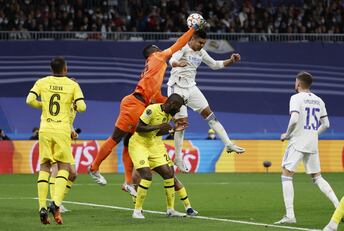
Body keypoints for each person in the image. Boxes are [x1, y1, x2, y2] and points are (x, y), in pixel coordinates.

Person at [88, 20, 205, 192]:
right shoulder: (157, 57)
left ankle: (126, 181)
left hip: (138, 103)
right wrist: (192, 29)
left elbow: (158, 98)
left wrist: (178, 105)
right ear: (155, 51)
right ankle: (95, 168)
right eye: (159, 49)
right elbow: (179, 44)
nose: (163, 51)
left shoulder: (155, 70)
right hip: (134, 104)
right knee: (120, 137)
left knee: (128, 140)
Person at [167, 29, 245, 172]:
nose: (202, 45)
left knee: (210, 115)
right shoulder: (183, 48)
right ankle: (178, 159)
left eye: (204, 43)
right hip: (176, 88)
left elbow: (215, 65)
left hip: (191, 88)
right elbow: (172, 59)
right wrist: (177, 64)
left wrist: (231, 61)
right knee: (181, 124)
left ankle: (228, 144)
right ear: (192, 39)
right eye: (200, 42)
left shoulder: (201, 53)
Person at [26, 56, 86, 225]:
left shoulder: (42, 82)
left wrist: (43, 106)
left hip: (45, 129)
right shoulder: (73, 85)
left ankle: (42, 207)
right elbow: (82, 107)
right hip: (61, 131)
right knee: (64, 167)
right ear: (65, 69)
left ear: (51, 69)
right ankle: (56, 204)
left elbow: (29, 100)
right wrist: (72, 105)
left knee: (45, 166)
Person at [274, 71, 339, 225]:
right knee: (317, 176)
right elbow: (327, 124)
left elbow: (294, 118)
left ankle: (290, 215)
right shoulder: (319, 100)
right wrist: (313, 134)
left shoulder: (295, 98)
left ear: (298, 84)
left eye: (295, 82)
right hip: (312, 141)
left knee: (286, 174)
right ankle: (338, 207)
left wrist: (287, 134)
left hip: (297, 141)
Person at [129, 93, 187, 218]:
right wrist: (159, 126)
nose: (178, 110)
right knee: (147, 175)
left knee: (169, 174)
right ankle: (137, 211)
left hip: (152, 145)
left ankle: (170, 209)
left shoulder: (168, 115)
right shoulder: (152, 109)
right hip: (138, 145)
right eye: (178, 107)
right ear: (173, 104)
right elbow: (139, 128)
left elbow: (157, 132)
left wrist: (173, 129)